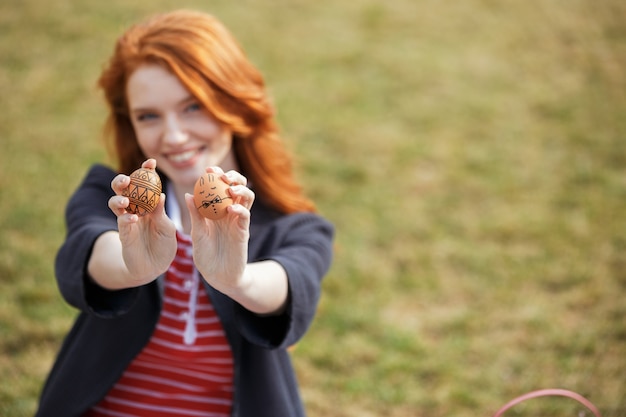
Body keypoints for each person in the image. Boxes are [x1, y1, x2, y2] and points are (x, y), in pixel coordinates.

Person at [35, 9, 334, 417]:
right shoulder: (114, 199)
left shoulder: (296, 228)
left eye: (193, 106)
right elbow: (90, 250)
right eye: (149, 116)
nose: (173, 136)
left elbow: (288, 284)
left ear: (233, 102)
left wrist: (239, 279)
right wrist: (131, 266)